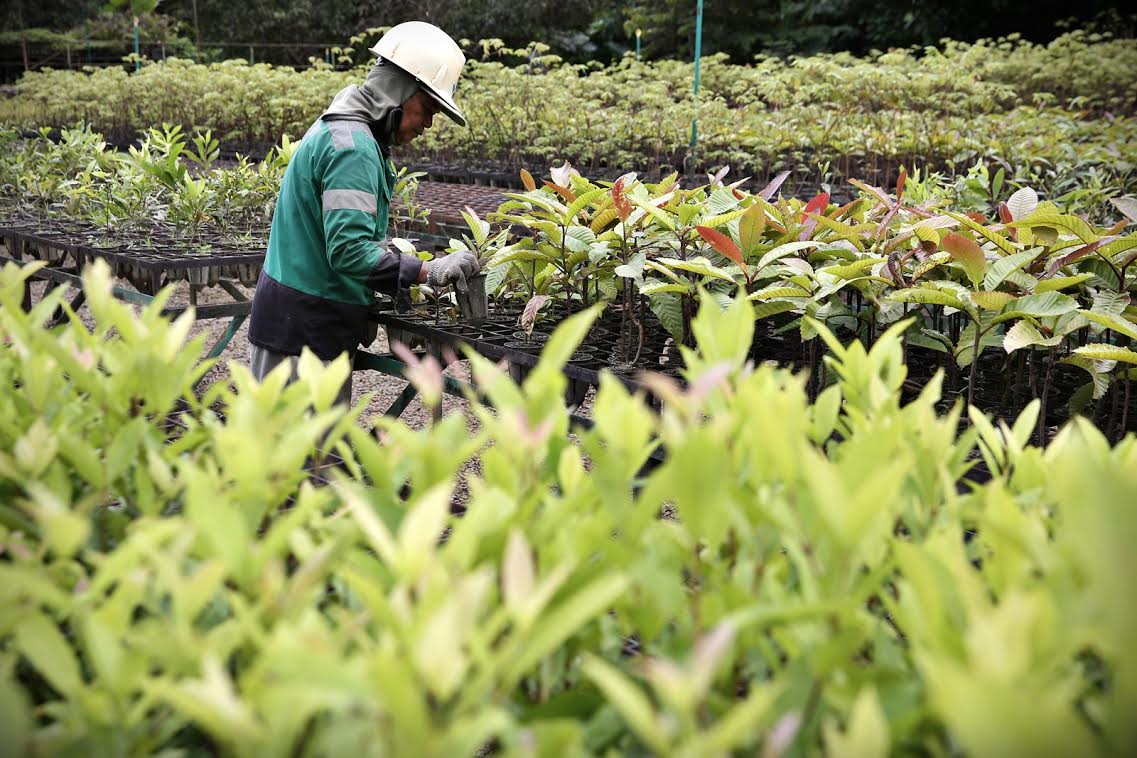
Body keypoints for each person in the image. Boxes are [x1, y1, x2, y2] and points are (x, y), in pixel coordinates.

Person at [247, 21, 480, 404]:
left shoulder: (342, 129)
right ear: (400, 92)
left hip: (297, 323)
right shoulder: (353, 148)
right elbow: (348, 250)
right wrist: (427, 270)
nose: (427, 124)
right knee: (301, 459)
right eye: (427, 109)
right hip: (303, 334)